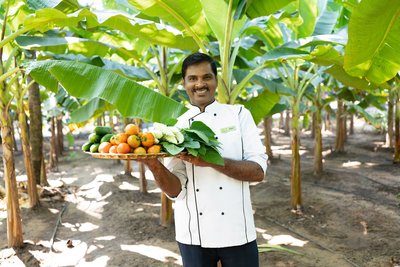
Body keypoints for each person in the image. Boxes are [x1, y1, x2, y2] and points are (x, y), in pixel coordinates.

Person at [141, 52, 267, 267]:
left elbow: (258, 173)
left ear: (216, 81)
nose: (200, 84)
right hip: (193, 235)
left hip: (238, 231)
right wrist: (152, 164)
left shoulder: (238, 115)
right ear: (184, 83)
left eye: (206, 77)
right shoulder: (176, 127)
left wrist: (209, 160)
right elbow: (175, 191)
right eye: (193, 78)